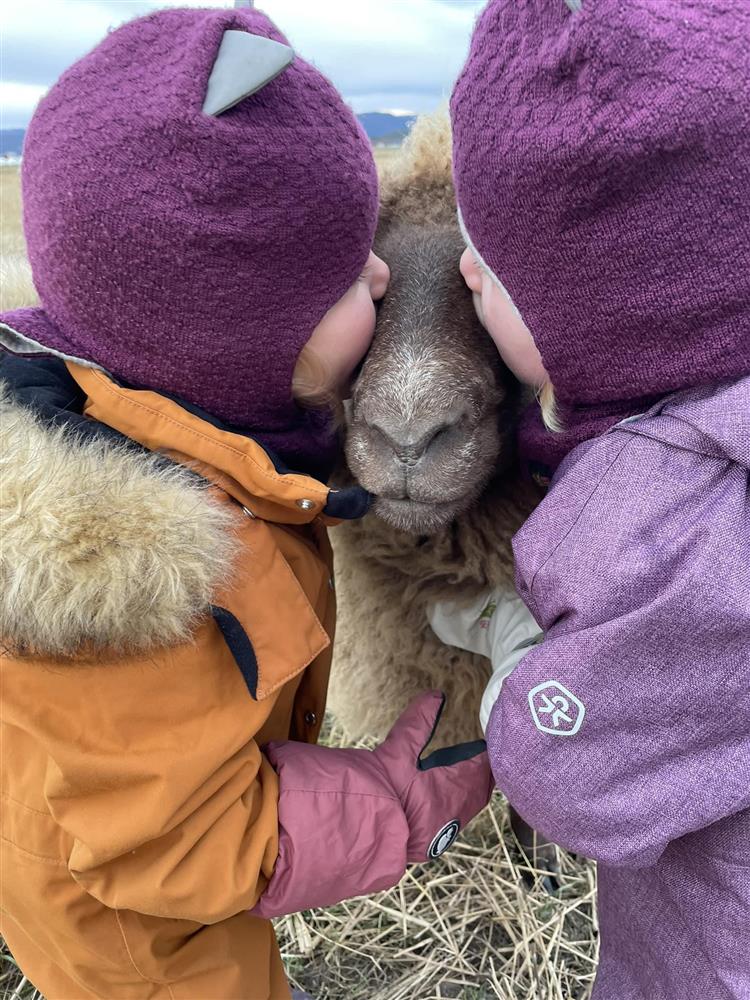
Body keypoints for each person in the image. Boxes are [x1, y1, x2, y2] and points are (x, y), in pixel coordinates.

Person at [0, 8, 493, 999]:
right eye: (350, 276)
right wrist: (404, 798)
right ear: (236, 335)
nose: (385, 272)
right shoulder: (122, 583)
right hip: (146, 950)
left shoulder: (177, 418)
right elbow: (180, 849)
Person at [433, 1, 750, 998]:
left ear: (617, 302)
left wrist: (519, 662)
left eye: (498, 264)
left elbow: (574, 769)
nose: (465, 268)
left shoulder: (658, 502)